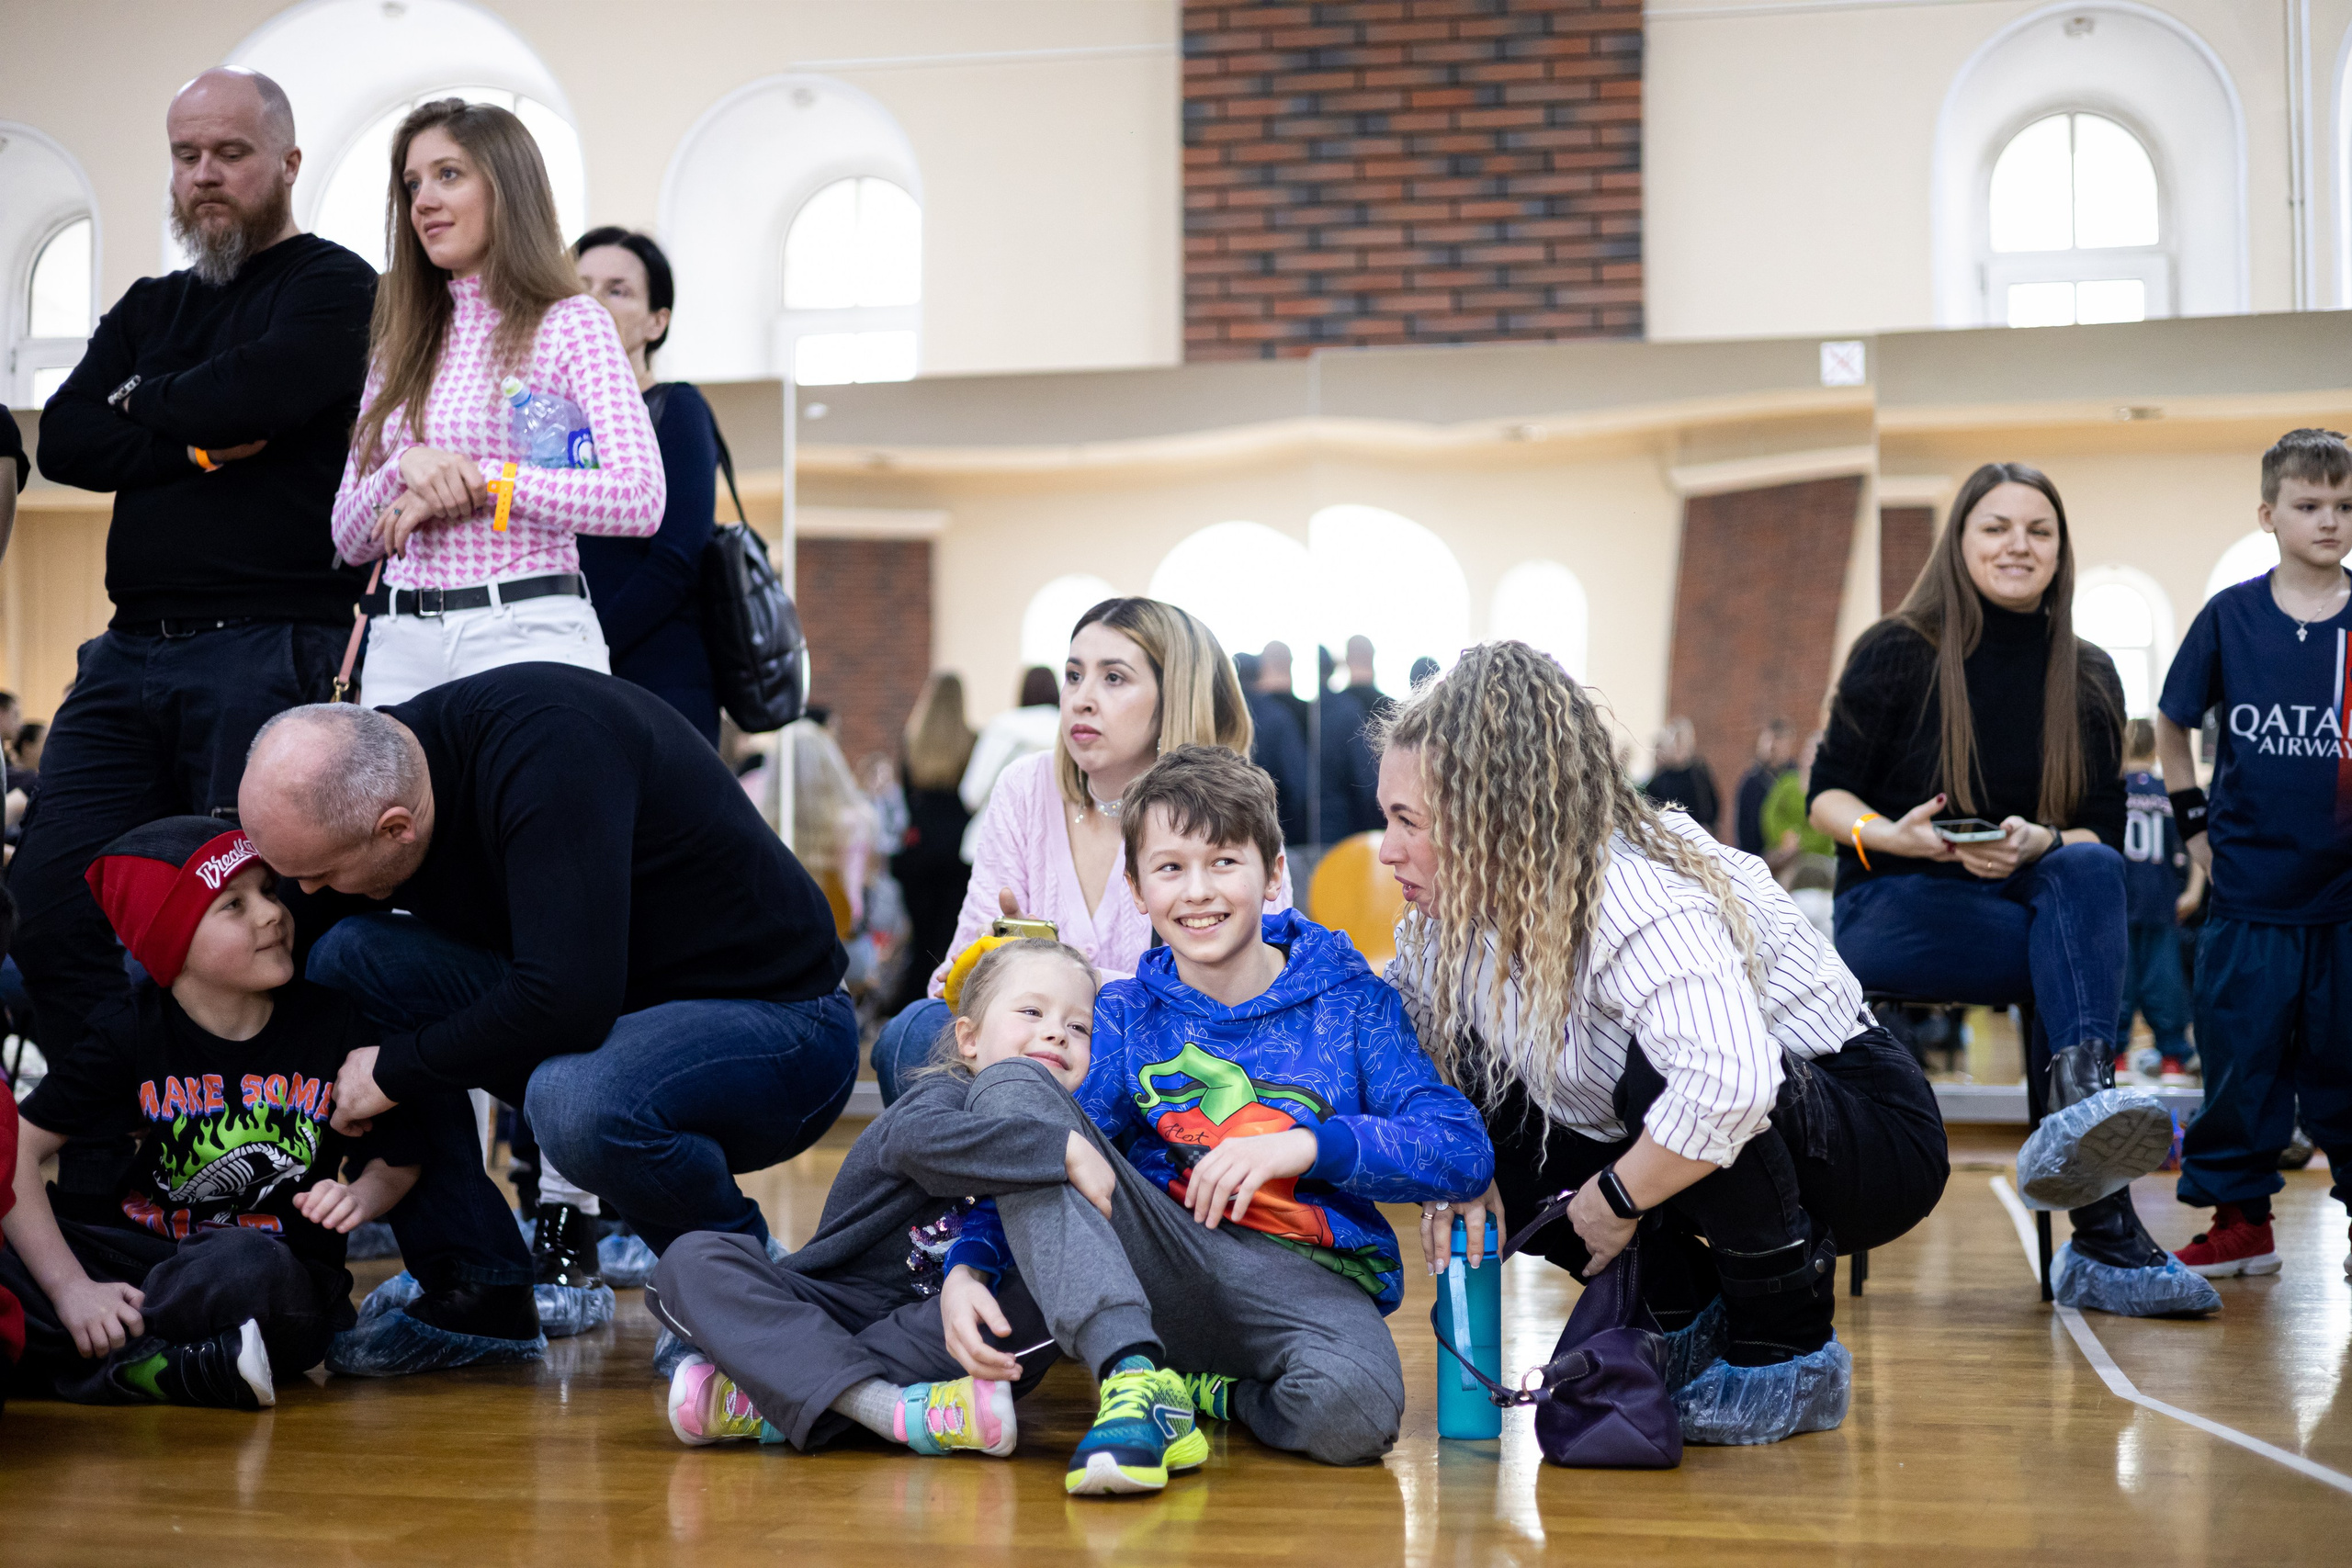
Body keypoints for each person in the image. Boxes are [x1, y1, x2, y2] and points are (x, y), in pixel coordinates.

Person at [1375, 642, 1951, 1445]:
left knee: (1668, 1071)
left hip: (1868, 1137)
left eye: (1410, 822)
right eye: (1387, 817)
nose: (1386, 850)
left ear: (1493, 819)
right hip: (1714, 1132)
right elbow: (1393, 1033)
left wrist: (1613, 1200)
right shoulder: (1457, 919)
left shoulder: (1628, 888)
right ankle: (1687, 1300)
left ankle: (1785, 1346)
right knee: (1483, 1103)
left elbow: (1733, 1081)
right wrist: (1462, 1173)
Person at [236, 666, 854, 1371]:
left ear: (396, 828)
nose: (304, 893)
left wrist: (394, 1069)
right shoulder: (374, 761)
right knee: (344, 958)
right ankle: (477, 1288)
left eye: (319, 875)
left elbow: (568, 999)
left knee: (575, 1098)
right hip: (619, 1014)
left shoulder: (550, 752)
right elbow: (306, 942)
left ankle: (740, 1281)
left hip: (784, 1027)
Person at [939, 745, 1493, 1489]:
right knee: (1018, 1087)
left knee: (1355, 1416)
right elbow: (1042, 1144)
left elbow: (1458, 1146)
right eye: (1170, 868)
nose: (1197, 892)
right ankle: (1133, 1369)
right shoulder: (1125, 1013)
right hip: (1165, 1254)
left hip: (1305, 1280)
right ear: (1136, 889)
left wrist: (1305, 1145)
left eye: (1224, 861)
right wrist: (968, 1260)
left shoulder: (1354, 1001)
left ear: (1271, 874)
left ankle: (1196, 1395)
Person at [16, 70, 375, 1138]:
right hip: (127, 653)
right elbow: (68, 439)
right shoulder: (148, 306)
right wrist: (199, 437)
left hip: (271, 651)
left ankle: (276, 1158)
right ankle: (137, 1131)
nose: (206, 176)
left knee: (266, 923)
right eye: (187, 156)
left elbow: (261, 389)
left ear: (288, 162)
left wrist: (144, 406)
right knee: (50, 904)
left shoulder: (335, 287)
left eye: (230, 152)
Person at [1807, 462, 2210, 1319]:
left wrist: (2042, 838)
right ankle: (2102, 1230)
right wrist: (1897, 834)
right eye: (1996, 527)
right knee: (2066, 946)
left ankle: (2078, 1150)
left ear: (2062, 551)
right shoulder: (1897, 650)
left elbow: (2098, 829)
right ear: (1960, 541)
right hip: (1897, 906)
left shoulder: (2090, 673)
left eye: (2039, 530)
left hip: (2030, 904)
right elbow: (1826, 799)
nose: (2018, 545)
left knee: (2087, 868)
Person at [0, 819, 426, 1407]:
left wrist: (362, 1196)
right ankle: (163, 1368)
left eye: (269, 891)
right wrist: (72, 1288)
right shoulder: (129, 1030)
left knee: (245, 1264)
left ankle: (92, 1359)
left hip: (274, 1276)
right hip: (138, 1261)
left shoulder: (335, 1022)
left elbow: (399, 1159)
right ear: (171, 943)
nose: (271, 914)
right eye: (233, 904)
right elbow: (14, 1148)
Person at [649, 939, 1101, 1455]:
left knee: (1049, 1297)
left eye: (1078, 1027)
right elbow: (918, 1144)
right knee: (689, 1260)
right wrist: (1059, 1151)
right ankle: (887, 1410)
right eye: (1031, 1011)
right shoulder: (943, 1098)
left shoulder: (1077, 1126)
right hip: (833, 1303)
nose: (1055, 1033)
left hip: (941, 1330)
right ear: (969, 1040)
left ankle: (772, 1395)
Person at [867, 598, 1292, 1103]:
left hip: (1162, 1066)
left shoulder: (1226, 808)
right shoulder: (1024, 787)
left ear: (1173, 697)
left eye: (1114, 678)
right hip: (1030, 1058)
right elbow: (963, 975)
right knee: (914, 1032)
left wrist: (1046, 973)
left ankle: (1026, 1170)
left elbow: (1247, 995)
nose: (1082, 700)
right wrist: (1012, 973)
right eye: (1073, 675)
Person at [331, 100, 662, 708]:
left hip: (530, 627)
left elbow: (639, 497)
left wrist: (487, 480)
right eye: (412, 184)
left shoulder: (571, 323)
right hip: (401, 642)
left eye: (448, 175)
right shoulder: (400, 341)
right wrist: (407, 468)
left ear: (506, 187)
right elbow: (347, 537)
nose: (423, 200)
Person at [2159, 428, 2352, 1282]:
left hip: (2345, 900)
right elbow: (2171, 725)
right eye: (2311, 505)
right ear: (2269, 514)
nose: (2330, 520)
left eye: (2345, 506)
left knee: (2349, 1072)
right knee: (2242, 1069)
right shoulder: (2230, 617)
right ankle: (2243, 1223)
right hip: (2247, 895)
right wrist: (2192, 825)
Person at [573, 227, 722, 746]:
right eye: (581, 285)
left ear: (657, 322)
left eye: (617, 290)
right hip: (567, 673)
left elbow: (675, 560)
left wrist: (586, 644)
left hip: (656, 680)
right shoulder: (547, 414)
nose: (591, 303)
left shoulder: (675, 408)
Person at [2114, 719, 2200, 1085]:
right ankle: (2172, 1059)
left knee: (2117, 984)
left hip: (2119, 904)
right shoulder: (2168, 792)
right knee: (2166, 986)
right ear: (2155, 751)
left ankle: (2113, 1058)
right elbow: (2196, 841)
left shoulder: (2114, 790)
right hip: (2163, 904)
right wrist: (2195, 891)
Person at [889, 674, 977, 1016]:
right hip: (958, 850)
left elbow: (906, 798)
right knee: (948, 936)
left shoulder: (912, 740)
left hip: (919, 848)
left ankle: (913, 1007)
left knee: (920, 937)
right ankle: (943, 1006)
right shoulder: (971, 740)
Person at [958, 666, 1060, 863]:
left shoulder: (1002, 728)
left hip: (995, 846)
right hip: (1051, 850)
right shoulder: (1071, 731)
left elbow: (972, 793)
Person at [1236, 651, 1311, 849]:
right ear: (1260, 675)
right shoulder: (1277, 716)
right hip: (1274, 828)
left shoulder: (1216, 715)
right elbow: (1299, 782)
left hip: (1225, 827)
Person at [1644, 716, 1722, 840]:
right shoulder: (1660, 779)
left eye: (1683, 742)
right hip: (1668, 837)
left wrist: (1709, 827)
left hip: (1697, 837)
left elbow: (1712, 805)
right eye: (1676, 741)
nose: (1679, 747)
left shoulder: (1698, 773)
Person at [1736, 720, 1797, 856]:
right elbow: (1743, 827)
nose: (1772, 748)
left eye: (1779, 742)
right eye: (1769, 742)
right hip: (1759, 856)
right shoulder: (1751, 782)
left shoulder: (1796, 778)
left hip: (1792, 855)